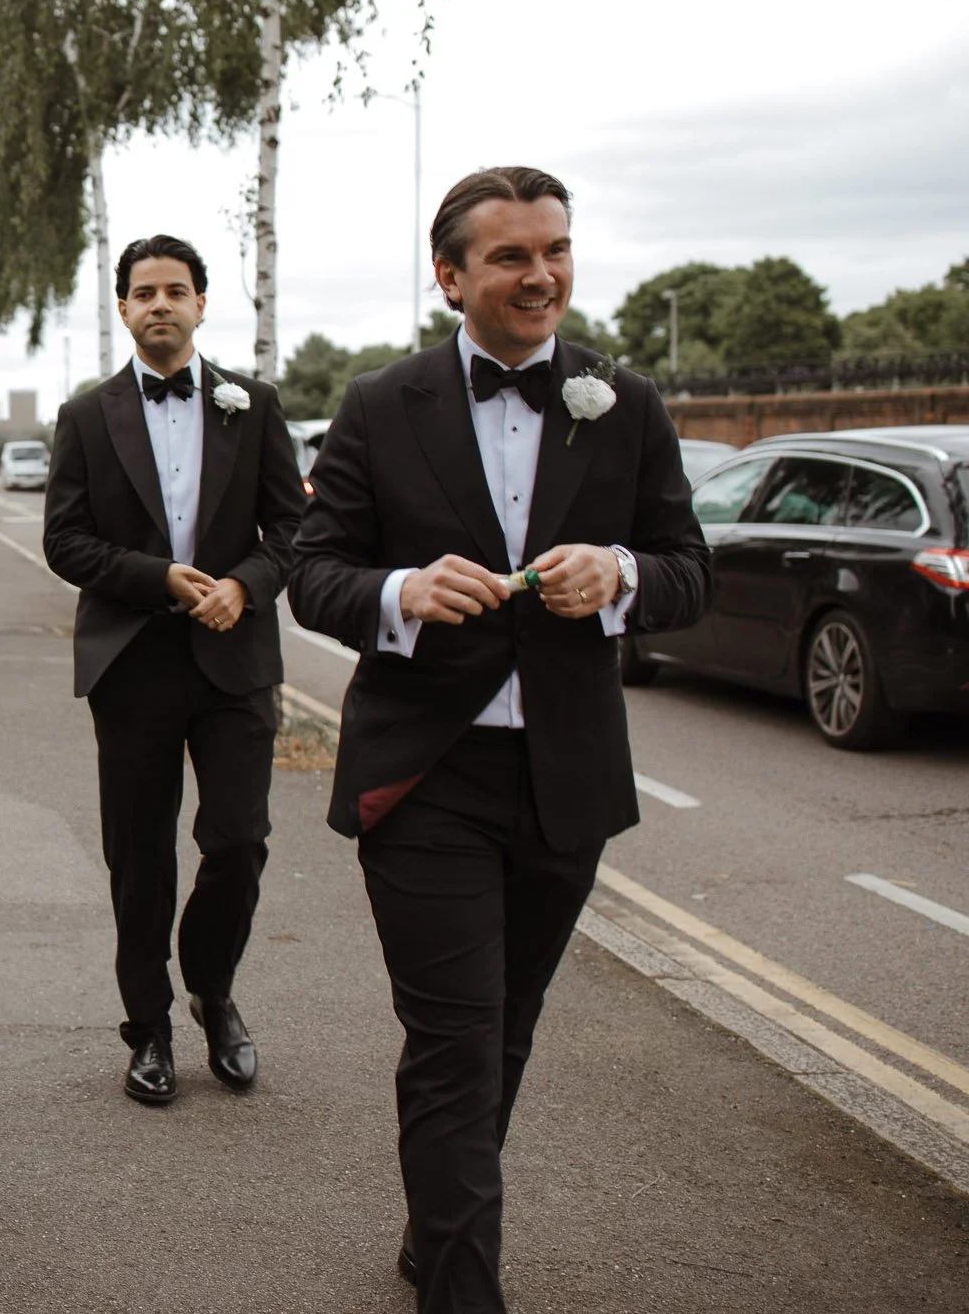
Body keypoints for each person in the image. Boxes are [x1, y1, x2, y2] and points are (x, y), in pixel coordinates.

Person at [286, 167, 710, 1311]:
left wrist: (618, 573)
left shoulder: (620, 401)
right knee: (454, 1041)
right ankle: (461, 1287)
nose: (542, 275)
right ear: (449, 276)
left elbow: (687, 571)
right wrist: (400, 590)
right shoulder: (381, 405)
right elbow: (312, 578)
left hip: (563, 776)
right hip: (425, 776)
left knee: (504, 1031)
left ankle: (437, 1226)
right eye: (512, 256)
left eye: (556, 250)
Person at [43, 235, 303, 1105]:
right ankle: (147, 1026)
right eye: (144, 292)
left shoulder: (254, 405)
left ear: (200, 304)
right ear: (123, 308)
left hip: (236, 662)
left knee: (238, 841)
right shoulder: (86, 416)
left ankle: (213, 988)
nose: (160, 304)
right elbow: (65, 542)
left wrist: (244, 584)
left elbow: (294, 533)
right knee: (140, 855)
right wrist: (155, 578)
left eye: (176, 291)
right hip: (133, 663)